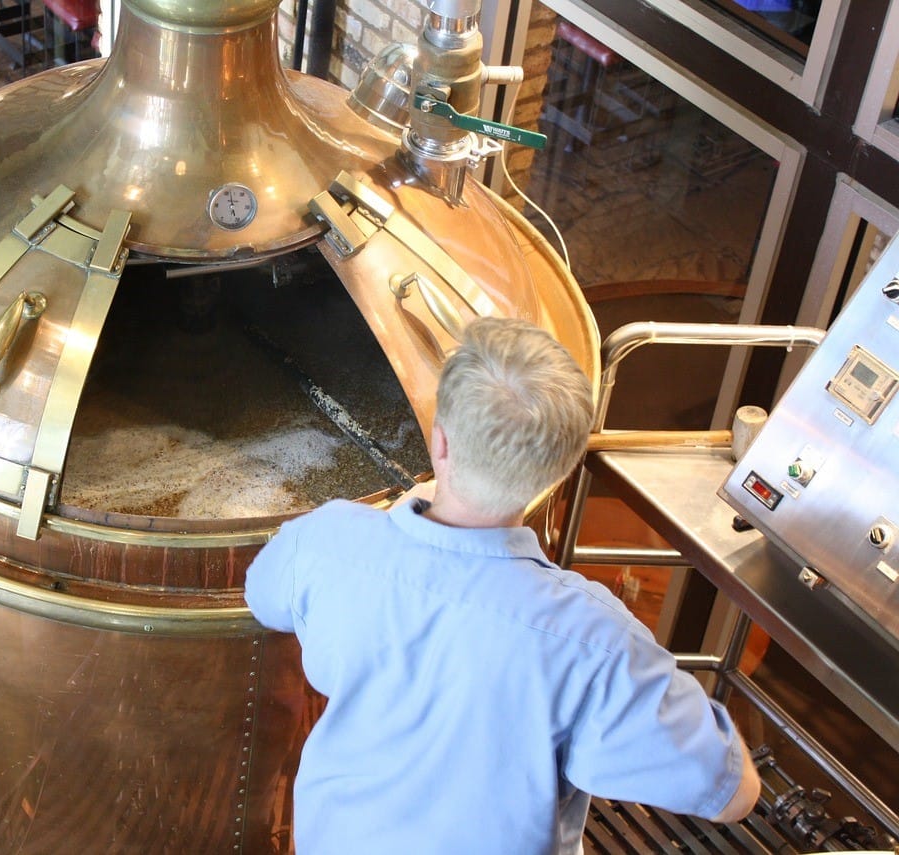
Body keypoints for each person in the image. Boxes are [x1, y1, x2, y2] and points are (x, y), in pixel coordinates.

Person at [244, 317, 760, 854]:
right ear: (560, 472)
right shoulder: (598, 644)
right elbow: (734, 794)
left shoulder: (327, 539)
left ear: (441, 443)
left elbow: (263, 597)